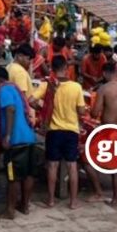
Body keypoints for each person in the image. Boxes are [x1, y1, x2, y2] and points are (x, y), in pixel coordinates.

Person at [0, 67, 36, 219]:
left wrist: (7, 136)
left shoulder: (3, 91)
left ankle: (10, 210)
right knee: (28, 175)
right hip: (29, 138)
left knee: (12, 177)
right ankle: (25, 205)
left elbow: (10, 109)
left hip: (15, 142)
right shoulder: (15, 89)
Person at [90, 61, 117, 207]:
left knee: (85, 159)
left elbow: (94, 112)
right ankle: (116, 199)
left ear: (104, 73)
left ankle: (99, 193)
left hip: (108, 132)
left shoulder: (104, 88)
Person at [45, 55, 87, 209]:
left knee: (52, 166)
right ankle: (73, 202)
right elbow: (82, 111)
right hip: (71, 131)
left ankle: (50, 200)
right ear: (66, 68)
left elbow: (31, 101)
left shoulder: (48, 85)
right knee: (72, 166)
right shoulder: (76, 87)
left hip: (54, 131)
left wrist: (44, 110)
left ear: (53, 69)